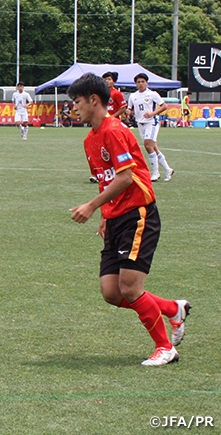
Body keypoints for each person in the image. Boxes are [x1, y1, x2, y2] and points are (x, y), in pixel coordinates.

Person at [67, 73, 190, 366]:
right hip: (117, 217)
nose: (74, 108)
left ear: (94, 100)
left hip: (138, 214)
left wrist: (92, 206)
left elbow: (124, 178)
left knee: (131, 288)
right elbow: (105, 180)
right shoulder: (90, 140)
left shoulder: (115, 131)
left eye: (78, 101)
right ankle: (172, 309)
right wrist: (106, 215)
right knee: (111, 292)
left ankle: (165, 348)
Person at [126, 73, 174, 182]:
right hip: (140, 123)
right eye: (138, 82)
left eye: (143, 81)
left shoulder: (152, 94)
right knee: (153, 147)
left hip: (151, 122)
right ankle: (167, 169)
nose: (141, 84)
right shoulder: (133, 96)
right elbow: (130, 108)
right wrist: (128, 112)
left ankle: (156, 172)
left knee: (148, 145)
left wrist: (153, 113)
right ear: (136, 84)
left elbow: (164, 106)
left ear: (147, 83)